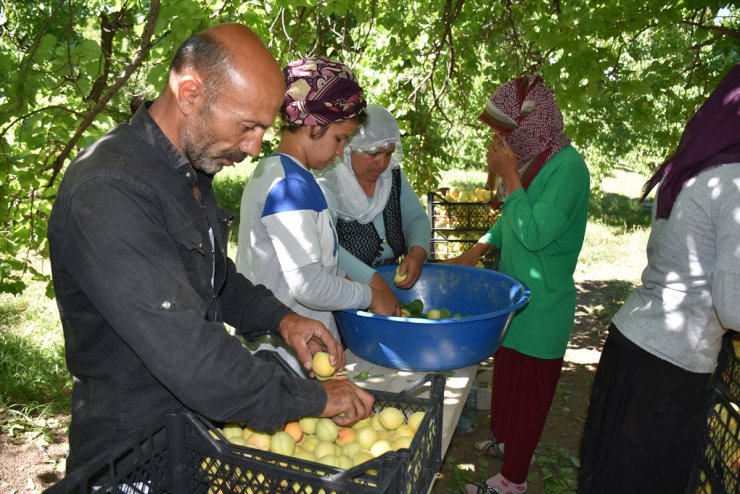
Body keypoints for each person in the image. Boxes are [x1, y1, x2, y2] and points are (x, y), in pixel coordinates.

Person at [47, 24, 374, 474]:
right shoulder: (110, 189)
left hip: (191, 435)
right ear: (189, 93)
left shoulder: (189, 170)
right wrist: (312, 398)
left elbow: (215, 279)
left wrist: (281, 317)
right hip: (133, 456)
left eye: (262, 129)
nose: (255, 146)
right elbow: (191, 355)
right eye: (247, 126)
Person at [577, 64, 740, 494]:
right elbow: (734, 303)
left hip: (633, 348)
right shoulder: (735, 184)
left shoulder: (694, 173)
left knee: (607, 478)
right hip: (669, 368)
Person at [445, 75, 591, 494]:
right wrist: (476, 251)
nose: (499, 143)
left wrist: (510, 178)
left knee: (528, 400)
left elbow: (535, 231)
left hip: (544, 307)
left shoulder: (568, 168)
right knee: (508, 388)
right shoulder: (539, 164)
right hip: (515, 299)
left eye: (504, 134)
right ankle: (509, 446)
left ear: (529, 129)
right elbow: (512, 222)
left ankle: (513, 481)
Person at [235, 58, 400, 347]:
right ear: (314, 126)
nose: (340, 152)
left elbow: (314, 264)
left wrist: (350, 281)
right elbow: (308, 285)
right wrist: (370, 295)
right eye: (340, 138)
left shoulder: (277, 173)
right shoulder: (290, 186)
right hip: (284, 356)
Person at [316, 104, 431, 290]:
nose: (382, 163)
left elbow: (416, 220)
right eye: (373, 153)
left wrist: (417, 253)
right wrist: (371, 279)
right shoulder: (329, 184)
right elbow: (327, 245)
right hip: (348, 287)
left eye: (389, 153)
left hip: (392, 281)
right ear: (349, 149)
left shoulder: (392, 176)